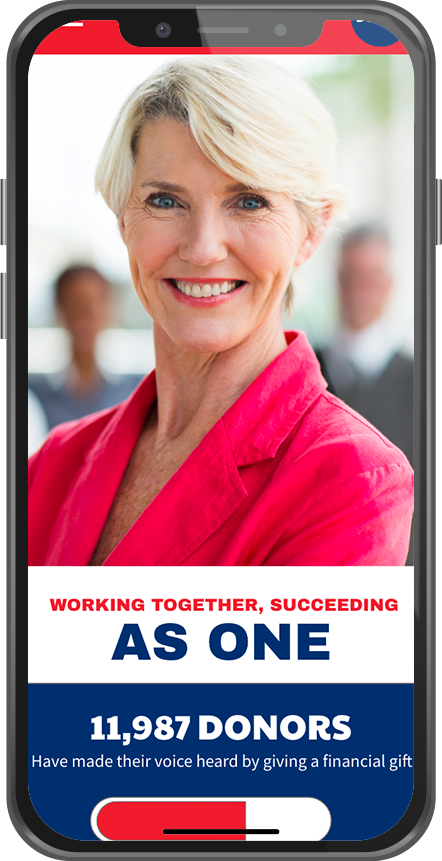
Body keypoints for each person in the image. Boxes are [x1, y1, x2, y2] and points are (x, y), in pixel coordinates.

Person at [28, 57, 413, 567]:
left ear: (311, 230)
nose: (203, 248)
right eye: (165, 201)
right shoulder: (54, 463)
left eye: (249, 201)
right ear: (123, 219)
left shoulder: (351, 478)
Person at [317, 226, 413, 465]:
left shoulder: (421, 383)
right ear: (338, 282)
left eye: (371, 279)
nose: (358, 291)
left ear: (389, 284)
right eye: (350, 277)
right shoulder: (309, 367)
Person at [28, 266, 143, 428]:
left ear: (109, 311)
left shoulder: (137, 392)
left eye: (93, 303)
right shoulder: (34, 395)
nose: (84, 314)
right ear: (59, 309)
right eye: (74, 302)